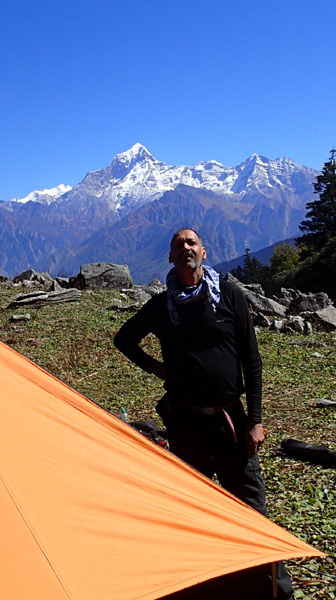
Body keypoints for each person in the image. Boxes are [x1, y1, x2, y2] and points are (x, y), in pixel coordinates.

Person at [114, 228, 292, 599]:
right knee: (188, 508)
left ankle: (275, 590)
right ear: (170, 259)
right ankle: (198, 584)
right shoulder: (163, 305)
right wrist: (156, 368)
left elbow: (251, 359)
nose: (185, 249)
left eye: (191, 243)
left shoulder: (228, 294)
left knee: (252, 507)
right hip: (186, 422)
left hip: (230, 420)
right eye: (178, 246)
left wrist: (255, 419)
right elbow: (124, 339)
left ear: (204, 253)